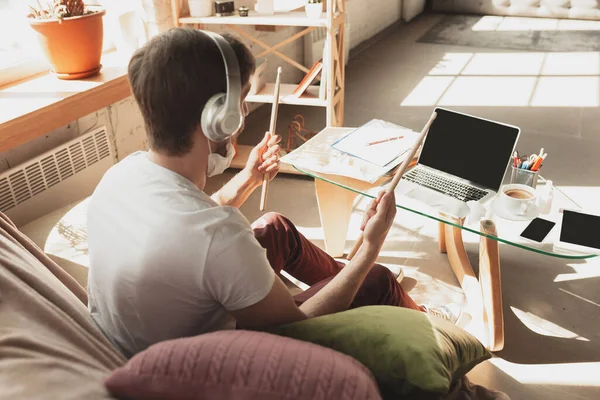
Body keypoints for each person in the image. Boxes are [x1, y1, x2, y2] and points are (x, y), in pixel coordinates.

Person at [87, 28, 460, 358]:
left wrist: (248, 179)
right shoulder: (217, 236)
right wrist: (369, 247)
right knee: (376, 277)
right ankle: (436, 334)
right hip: (205, 363)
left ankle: (343, 284)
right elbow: (299, 328)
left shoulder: (120, 177)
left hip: (147, 335)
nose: (245, 111)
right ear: (220, 117)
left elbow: (190, 229)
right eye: (242, 101)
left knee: (275, 227)